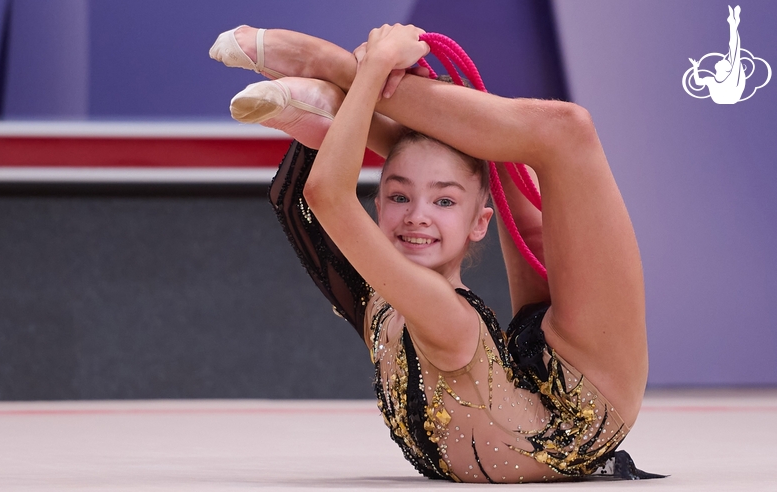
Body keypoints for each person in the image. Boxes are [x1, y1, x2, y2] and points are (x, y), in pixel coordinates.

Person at [211, 23, 657, 483]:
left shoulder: (380, 308)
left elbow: (296, 200)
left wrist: (356, 103)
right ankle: (331, 67)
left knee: (484, 158)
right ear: (377, 205)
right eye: (398, 198)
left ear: (479, 223)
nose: (416, 218)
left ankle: (336, 92)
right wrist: (372, 68)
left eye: (442, 203)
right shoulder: (440, 313)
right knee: (566, 131)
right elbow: (325, 194)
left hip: (523, 394)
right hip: (583, 407)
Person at [689, 5, 745, 104]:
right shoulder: (714, 79)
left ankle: (733, 24)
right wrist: (695, 67)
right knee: (734, 52)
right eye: (725, 61)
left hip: (729, 96)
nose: (721, 59)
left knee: (734, 51)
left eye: (723, 61)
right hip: (727, 97)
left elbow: (734, 49)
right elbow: (698, 82)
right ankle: (733, 24)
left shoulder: (723, 78)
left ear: (725, 69)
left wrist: (695, 68)